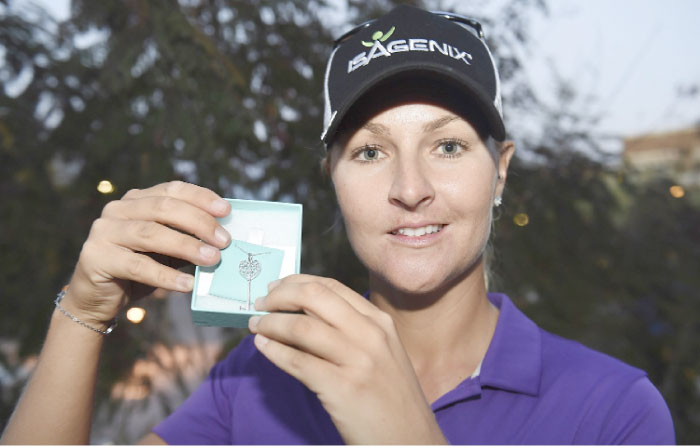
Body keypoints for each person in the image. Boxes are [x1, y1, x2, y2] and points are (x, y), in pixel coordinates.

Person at [1, 5, 674, 445]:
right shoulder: (257, 379)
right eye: (370, 151)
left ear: (500, 172)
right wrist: (82, 312)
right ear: (332, 178)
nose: (410, 190)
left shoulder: (613, 412)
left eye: (447, 146)